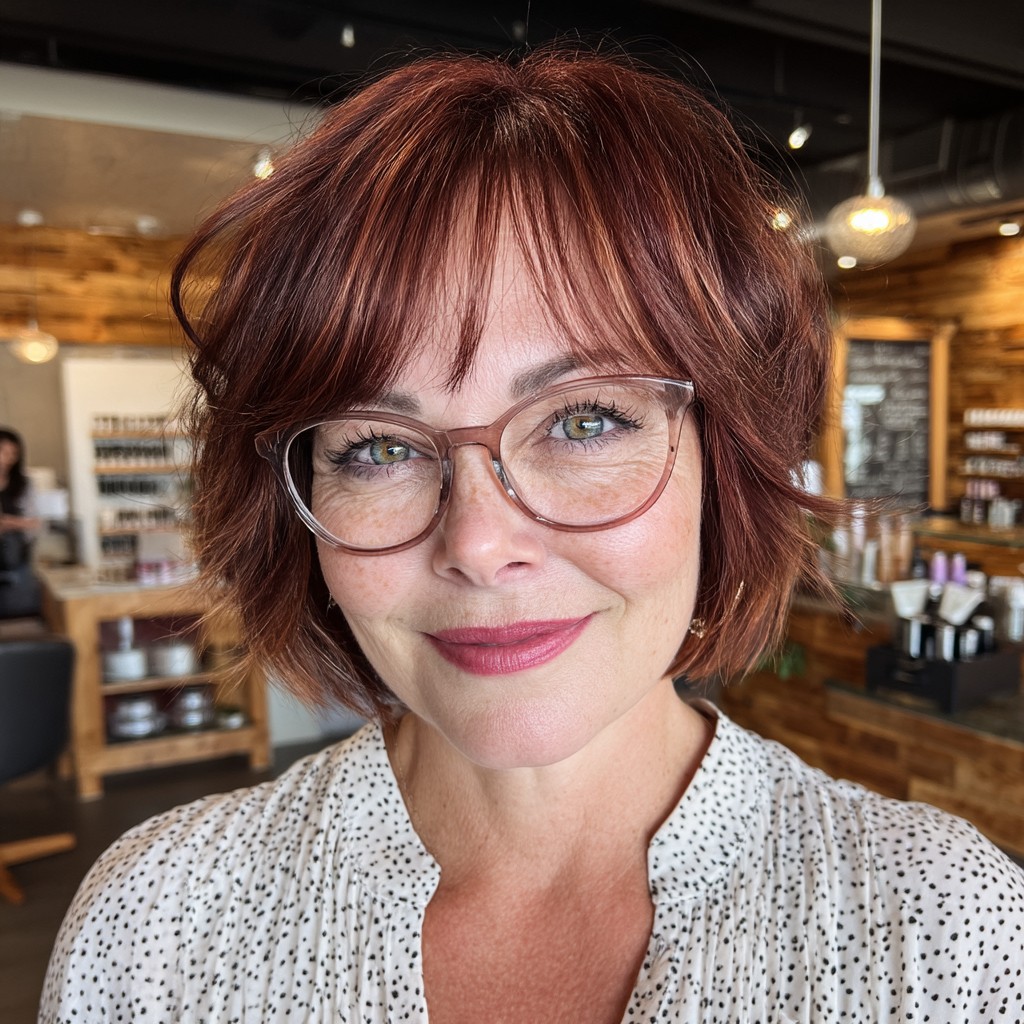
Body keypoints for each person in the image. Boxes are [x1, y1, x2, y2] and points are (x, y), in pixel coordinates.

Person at [41, 48, 1022, 1023]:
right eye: (378, 446)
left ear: (724, 462)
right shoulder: (155, 925)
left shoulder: (951, 934)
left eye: (584, 421)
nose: (478, 544)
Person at [0, 426, 42, 619]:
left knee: (20, 612)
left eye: (13, 453)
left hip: (17, 561)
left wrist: (8, 522)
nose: (7, 458)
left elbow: (35, 523)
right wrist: (17, 522)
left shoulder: (24, 484)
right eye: (2, 451)